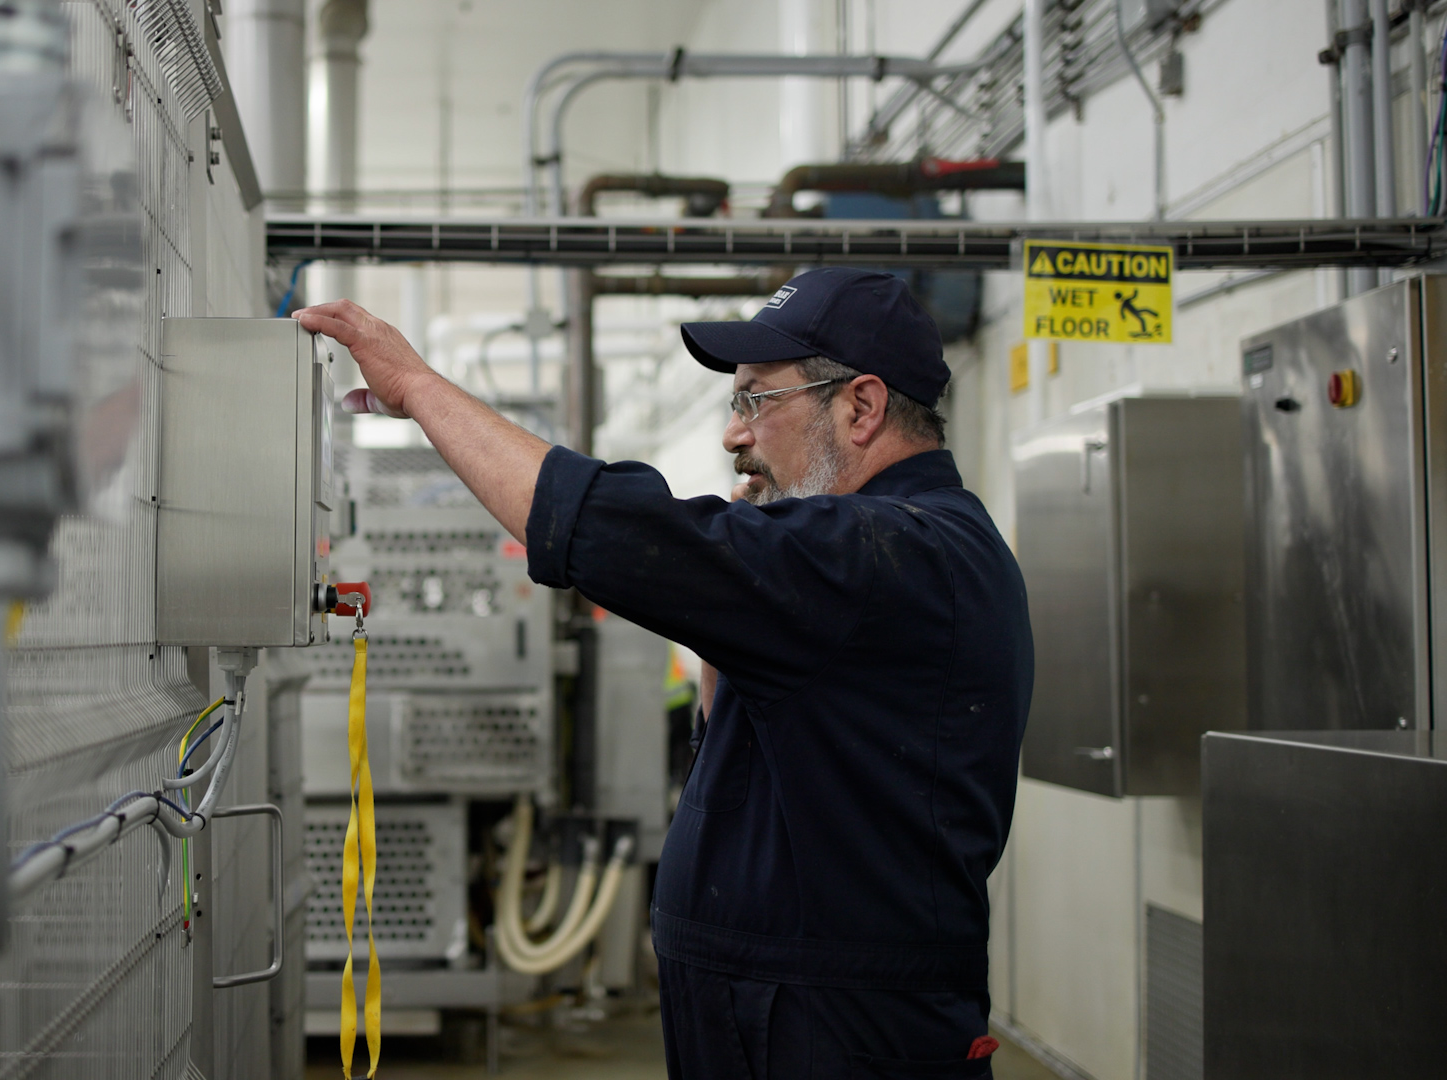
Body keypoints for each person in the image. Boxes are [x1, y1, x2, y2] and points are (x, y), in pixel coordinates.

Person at [294, 266, 1031, 1080]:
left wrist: (420, 389)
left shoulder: (893, 554)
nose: (733, 434)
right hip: (787, 1014)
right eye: (734, 403)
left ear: (861, 406)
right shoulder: (869, 557)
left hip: (836, 1032)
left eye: (758, 400)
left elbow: (617, 531)